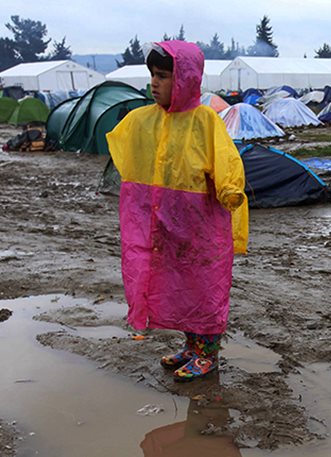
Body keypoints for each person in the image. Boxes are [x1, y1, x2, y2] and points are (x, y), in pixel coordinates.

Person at [107, 40, 249, 382]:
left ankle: (207, 355)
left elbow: (226, 160)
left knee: (204, 289)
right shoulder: (143, 120)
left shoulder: (205, 122)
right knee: (177, 286)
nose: (154, 83)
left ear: (185, 79)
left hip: (201, 227)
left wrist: (230, 190)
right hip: (165, 225)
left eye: (163, 76)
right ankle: (191, 347)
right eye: (152, 75)